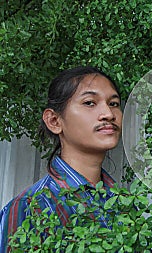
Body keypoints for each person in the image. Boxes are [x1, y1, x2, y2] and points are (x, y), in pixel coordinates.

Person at [0, 66, 123, 252]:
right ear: (54, 121)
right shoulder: (30, 207)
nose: (109, 114)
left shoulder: (121, 201)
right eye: (90, 102)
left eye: (113, 103)